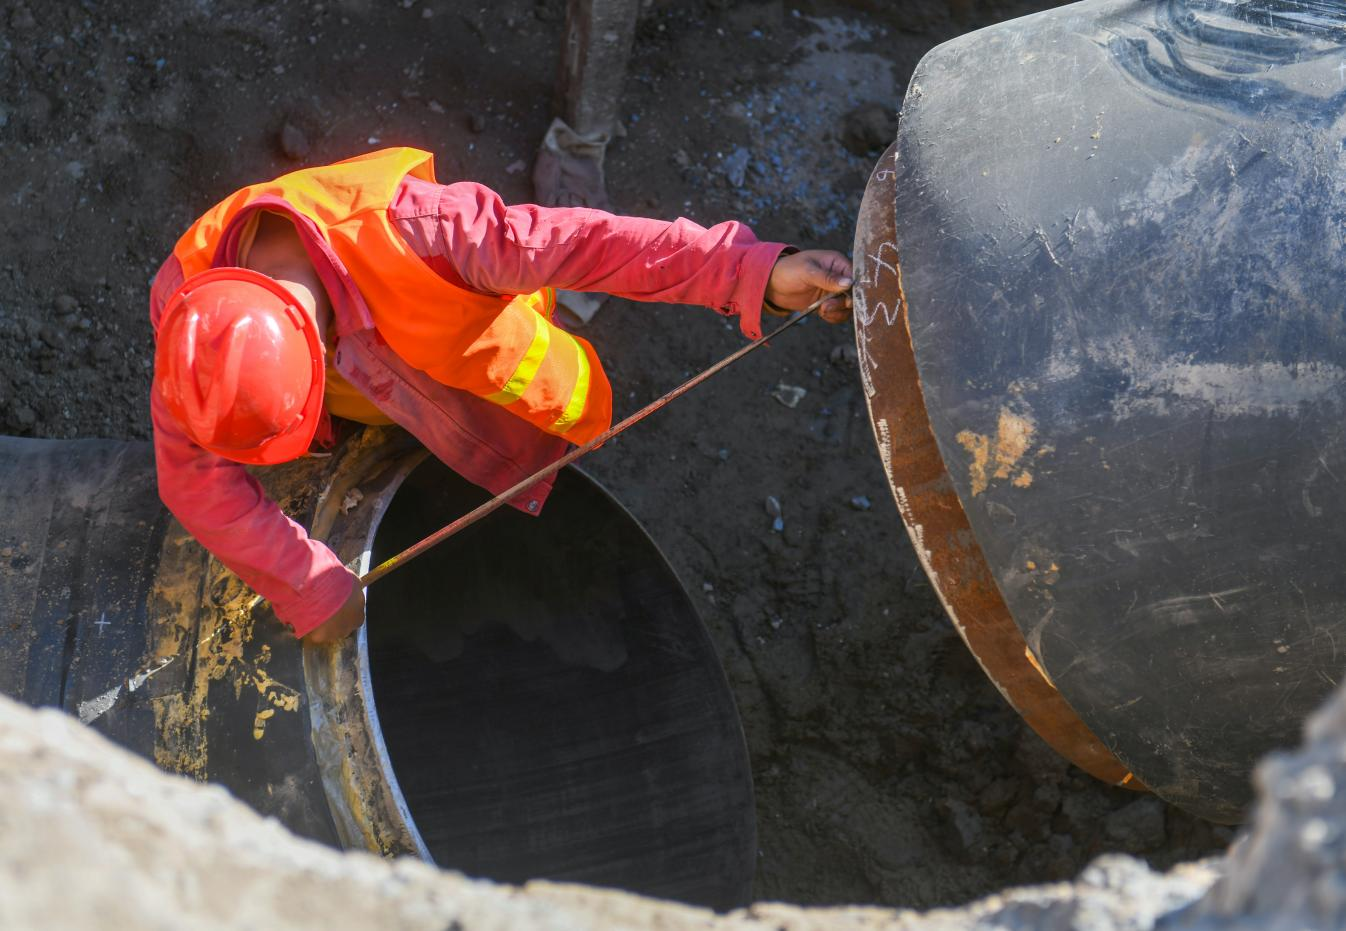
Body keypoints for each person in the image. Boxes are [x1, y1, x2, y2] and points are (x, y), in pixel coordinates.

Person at [150, 147, 853, 644]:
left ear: (318, 351)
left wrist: (754, 272)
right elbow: (191, 478)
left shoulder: (427, 233)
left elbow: (593, 246)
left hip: (488, 402)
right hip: (377, 401)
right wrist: (304, 581)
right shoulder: (195, 324)